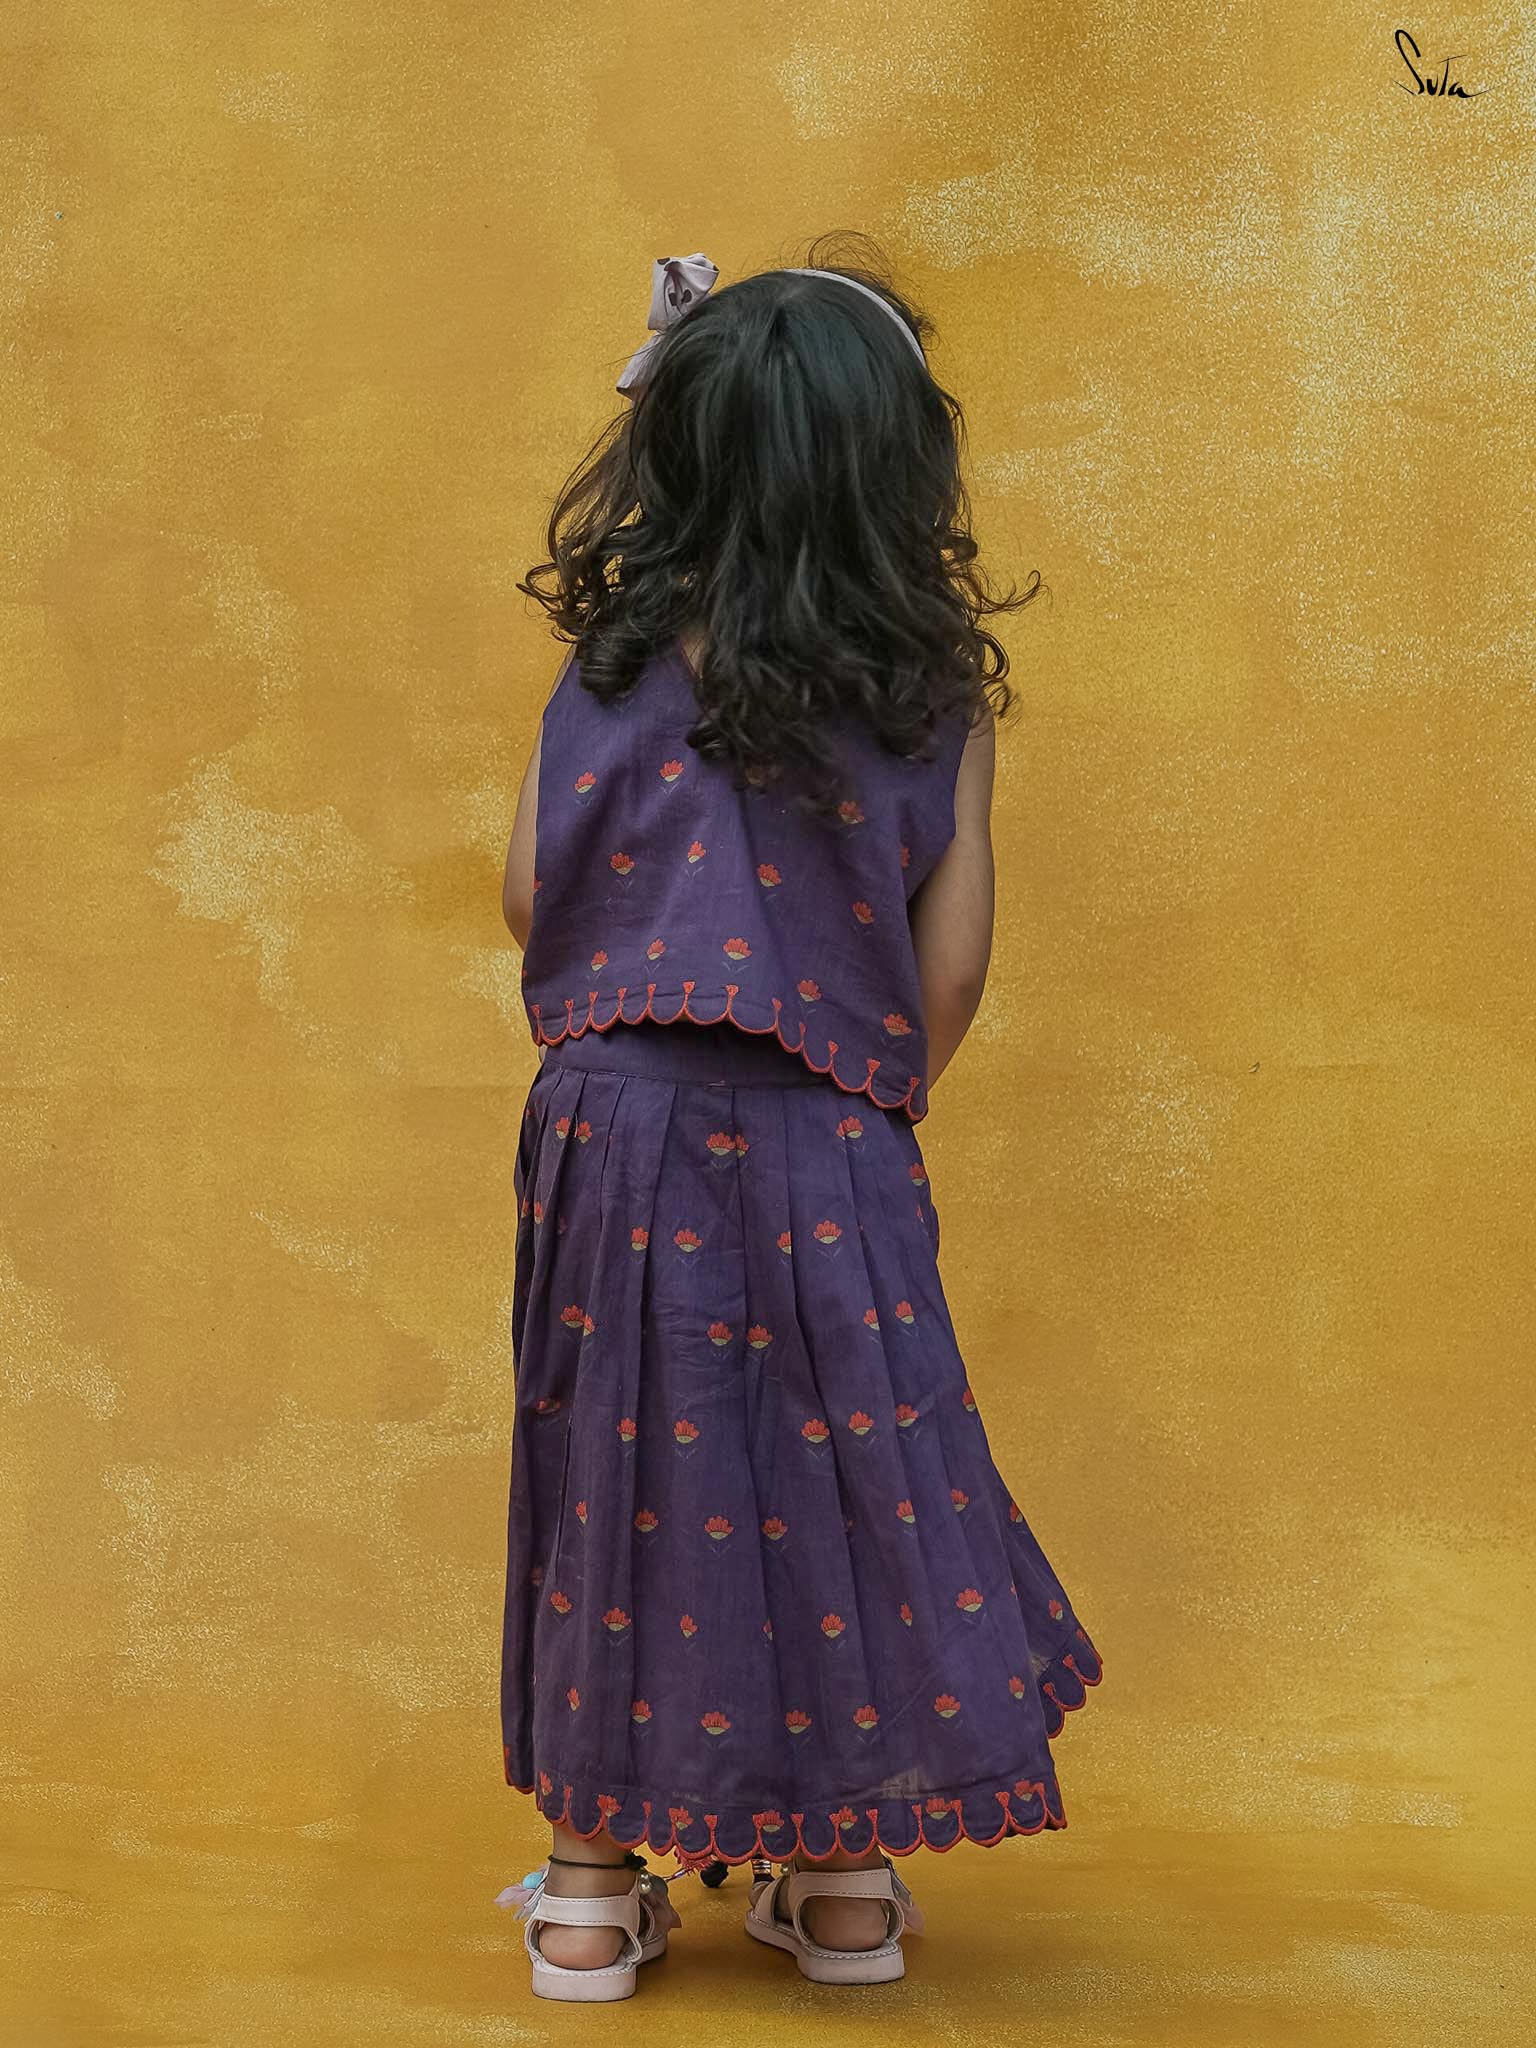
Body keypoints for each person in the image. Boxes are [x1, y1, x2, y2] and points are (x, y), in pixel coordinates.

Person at [495, 232, 1104, 2001]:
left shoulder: (607, 662)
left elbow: (531, 894)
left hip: (611, 1131)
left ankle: (590, 1896)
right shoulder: (937, 695)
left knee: (617, 1479)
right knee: (847, 1477)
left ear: (672, 450)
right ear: (898, 467)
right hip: (835, 1125)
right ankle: (843, 1891)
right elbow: (954, 968)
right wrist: (858, 1096)